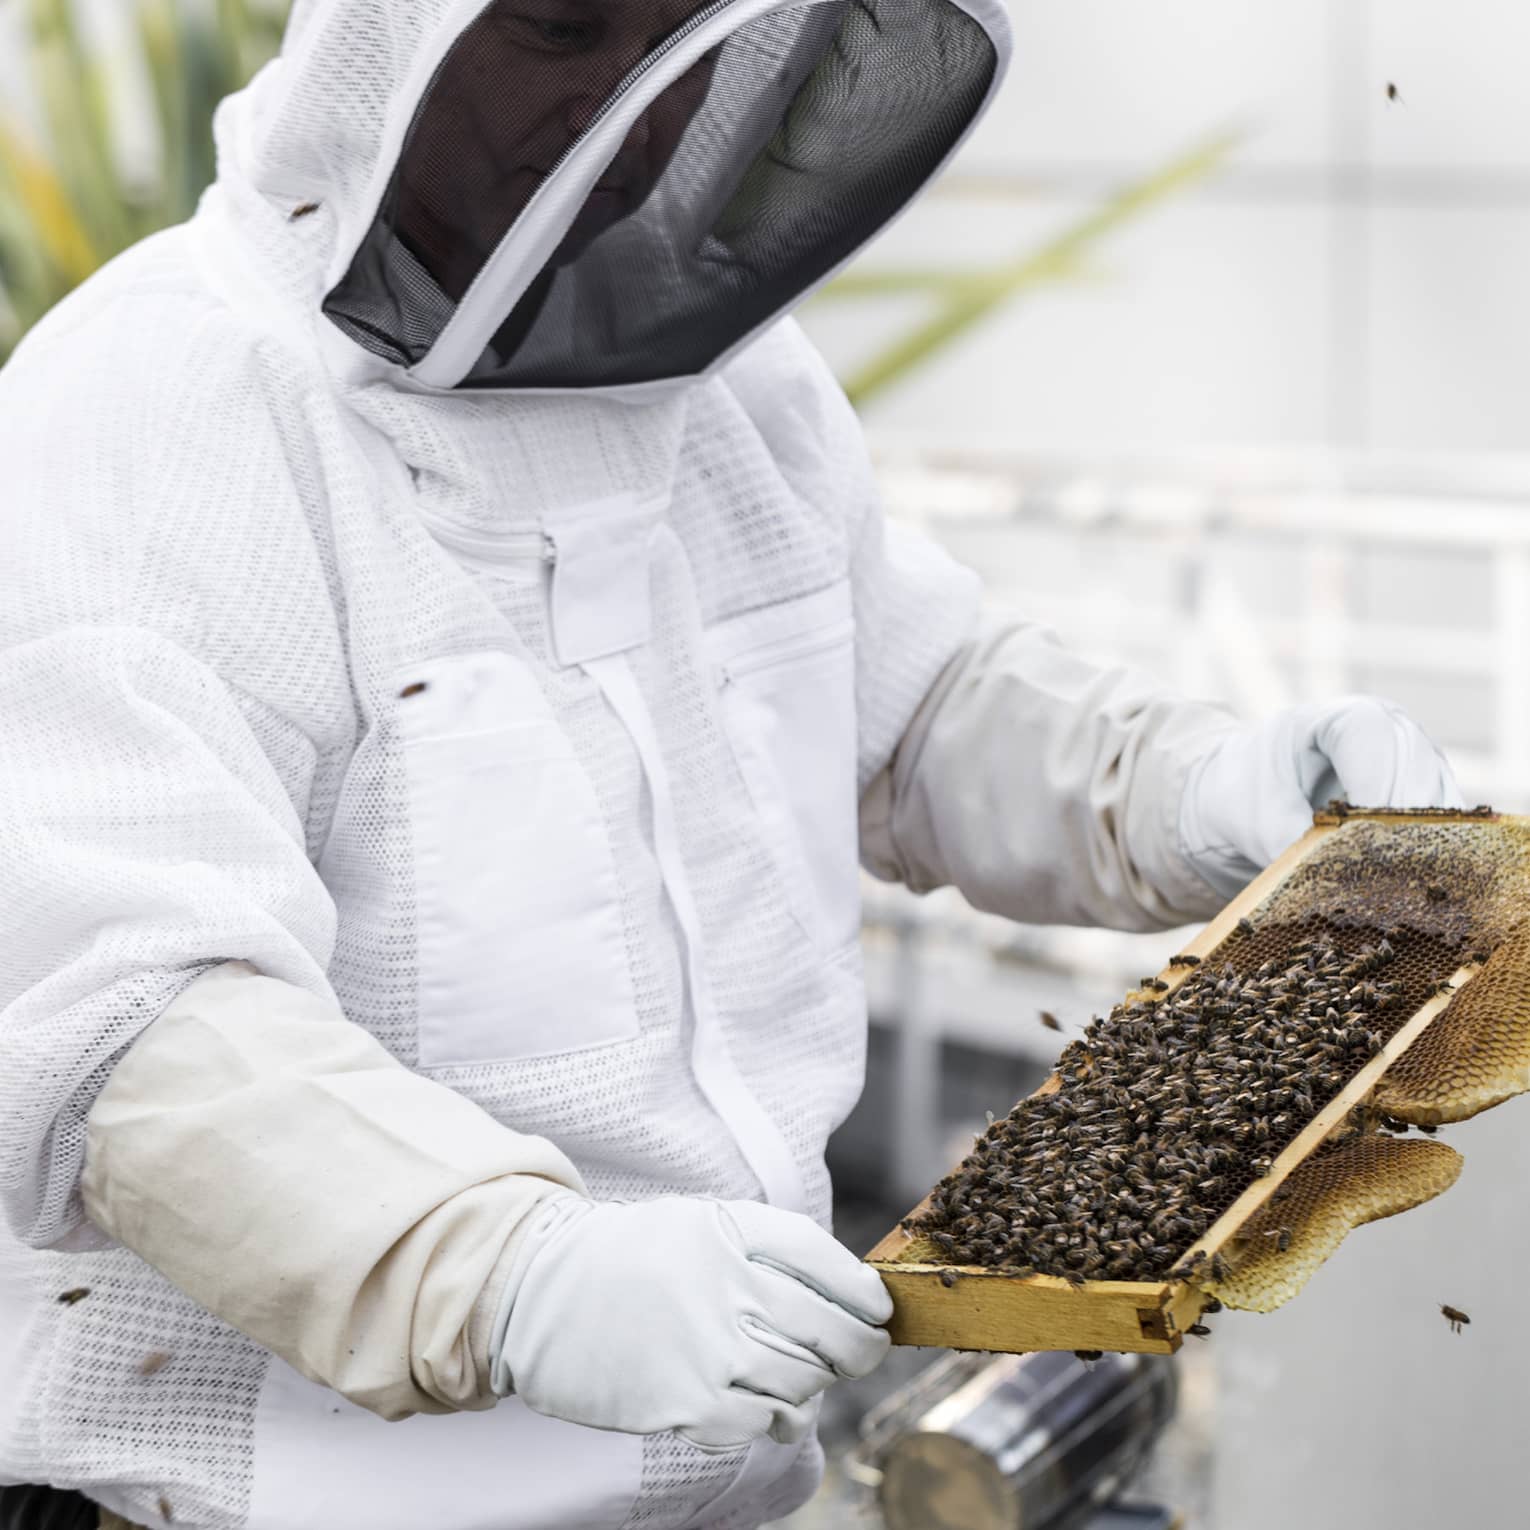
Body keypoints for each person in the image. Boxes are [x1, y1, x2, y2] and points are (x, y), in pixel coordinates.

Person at [0, 0, 1461, 1527]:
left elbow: (911, 707)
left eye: (685, 43)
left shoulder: (724, 382)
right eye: (566, 30)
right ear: (395, 41)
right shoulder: (152, 414)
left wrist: (1192, 783)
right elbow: (122, 1027)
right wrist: (504, 1270)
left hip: (722, 1486)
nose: (635, 104)